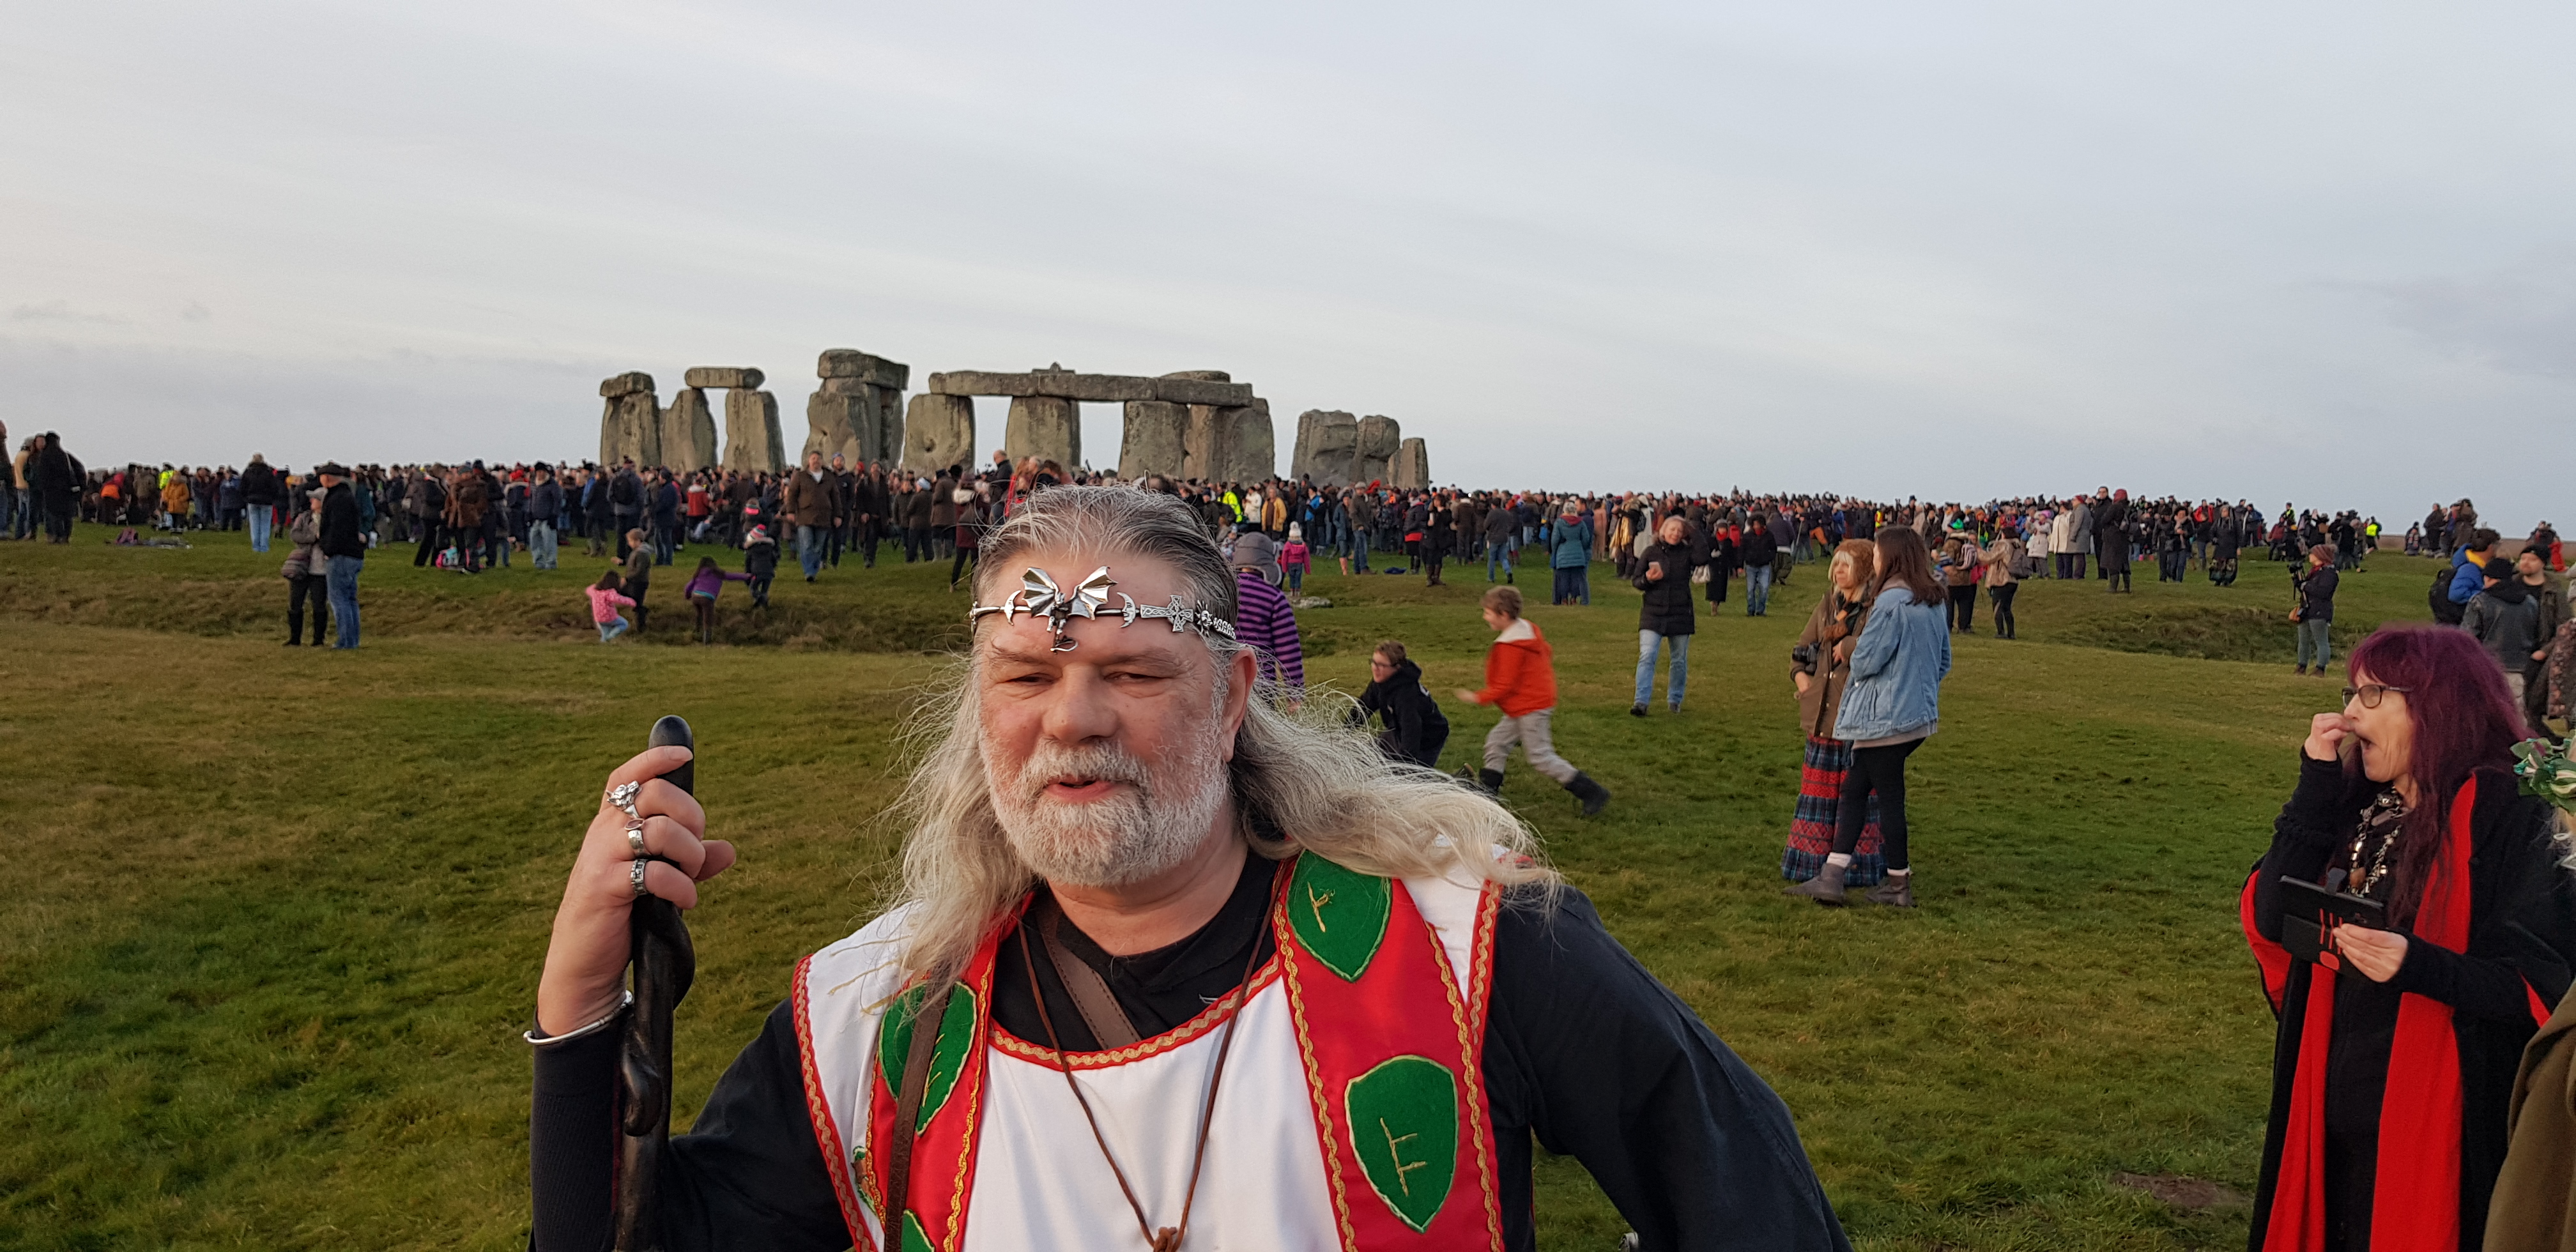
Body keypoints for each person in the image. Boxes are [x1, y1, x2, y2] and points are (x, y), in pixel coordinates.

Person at [523, 486, 1846, 1251]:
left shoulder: (1467, 947)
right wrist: (585, 1006)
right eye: (1028, 676)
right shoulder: (869, 1014)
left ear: (1231, 700)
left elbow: (1746, 1194)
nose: (1073, 718)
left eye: (1134, 674)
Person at [2241, 625, 2574, 1251]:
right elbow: (2272, 912)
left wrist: (2416, 963)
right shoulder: (2358, 803)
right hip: (2325, 1116)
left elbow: (2541, 989)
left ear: (2434, 702)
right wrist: (2314, 786)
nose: (2346, 713)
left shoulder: (2513, 813)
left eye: (2371, 694)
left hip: (2440, 1140)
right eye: (2351, 692)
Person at [1788, 526, 1950, 907]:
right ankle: (1833, 876)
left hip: (1884, 720)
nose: (1875, 560)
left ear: (1891, 556)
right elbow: (1944, 661)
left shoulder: (1890, 602)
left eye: (1877, 554)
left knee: (1888, 798)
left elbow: (1866, 661)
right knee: (1856, 791)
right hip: (1916, 717)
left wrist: (1847, 645)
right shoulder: (1933, 600)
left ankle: (1898, 885)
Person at [1781, 540, 1887, 889]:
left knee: (1856, 796)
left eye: (1846, 565)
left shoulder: (1877, 609)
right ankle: (1809, 864)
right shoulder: (1828, 604)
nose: (1839, 572)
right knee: (1818, 793)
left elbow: (1880, 654)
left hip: (1857, 719)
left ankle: (1855, 868)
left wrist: (1850, 648)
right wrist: (1805, 682)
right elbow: (1800, 651)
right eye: (1836, 566)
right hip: (1823, 718)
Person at [1455, 584, 1613, 814]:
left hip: (1531, 707)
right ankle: (1488, 794)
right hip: (1524, 705)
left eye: (1488, 612)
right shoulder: (1527, 630)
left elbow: (1504, 684)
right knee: (1497, 742)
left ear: (1504, 615)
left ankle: (1592, 792)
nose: (1484, 616)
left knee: (1540, 756)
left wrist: (1478, 697)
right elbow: (1546, 651)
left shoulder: (1511, 646)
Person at [1630, 514, 1700, 716]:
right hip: (1653, 613)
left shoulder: (1688, 553)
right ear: (1663, 531)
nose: (1676, 534)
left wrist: (1695, 533)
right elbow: (1636, 581)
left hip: (1680, 613)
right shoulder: (1651, 552)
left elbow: (1702, 558)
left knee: (1678, 660)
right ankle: (1641, 702)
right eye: (1672, 530)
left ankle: (1675, 701)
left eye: (1680, 531)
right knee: (1647, 656)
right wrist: (1648, 580)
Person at [1349, 639, 1450, 768]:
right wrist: (1343, 733)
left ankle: (1461, 781)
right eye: (1373, 662)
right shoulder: (1380, 683)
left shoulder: (1407, 694)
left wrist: (1406, 765)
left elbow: (1412, 728)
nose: (1375, 668)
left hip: (1427, 738)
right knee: (1369, 759)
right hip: (1397, 730)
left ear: (1397, 668)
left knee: (1414, 780)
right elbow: (1363, 708)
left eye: (1381, 665)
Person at [1228, 531, 1305, 698]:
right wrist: (1295, 693)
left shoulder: (1224, 593)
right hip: (1262, 684)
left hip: (1224, 679)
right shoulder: (1274, 598)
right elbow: (1288, 649)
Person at [2462, 556, 2542, 703]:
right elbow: (2538, 634)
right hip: (2520, 669)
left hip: (2486, 668)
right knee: (2515, 719)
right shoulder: (2530, 602)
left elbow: (2467, 639)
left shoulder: (2480, 601)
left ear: (2487, 577)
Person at [314, 463, 365, 649]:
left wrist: (327, 548)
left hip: (340, 555)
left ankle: (345, 641)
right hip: (354, 554)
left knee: (339, 599)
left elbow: (336, 529)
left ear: (327, 478)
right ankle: (353, 640)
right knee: (350, 598)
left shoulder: (336, 498)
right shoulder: (347, 496)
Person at [279, 487, 329, 646]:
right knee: (295, 603)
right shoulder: (304, 517)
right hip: (301, 567)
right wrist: (313, 538)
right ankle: (295, 638)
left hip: (321, 568)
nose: (311, 501)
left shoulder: (330, 519)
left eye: (314, 499)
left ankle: (318, 639)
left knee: (319, 605)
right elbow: (294, 534)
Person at [783, 451, 839, 582]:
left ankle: (813, 570)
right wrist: (790, 511)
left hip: (823, 516)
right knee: (807, 545)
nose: (816, 461)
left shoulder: (829, 477)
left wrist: (838, 515)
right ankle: (809, 572)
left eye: (818, 459)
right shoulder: (801, 476)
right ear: (809, 461)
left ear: (822, 461)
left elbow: (835, 497)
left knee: (819, 547)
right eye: (813, 458)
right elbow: (792, 494)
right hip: (805, 516)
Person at [683, 556, 753, 645]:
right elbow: (733, 576)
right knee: (708, 620)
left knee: (699, 615)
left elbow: (688, 586)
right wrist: (747, 576)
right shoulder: (718, 574)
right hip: (707, 597)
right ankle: (706, 642)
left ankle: (696, 634)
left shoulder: (698, 574)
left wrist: (687, 596)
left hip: (695, 596)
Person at [2294, 542, 2340, 677]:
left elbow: (2324, 592)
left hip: (2319, 610)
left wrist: (2305, 585)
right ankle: (2302, 665)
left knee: (2321, 640)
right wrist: (2300, 584)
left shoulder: (2329, 574)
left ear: (2320, 556)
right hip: (2308, 609)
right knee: (2303, 639)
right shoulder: (2316, 572)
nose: (2310, 556)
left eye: (2313, 554)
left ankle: (2320, 668)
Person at [1981, 530, 2022, 640]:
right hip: (2013, 580)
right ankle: (2011, 633)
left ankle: (2001, 632)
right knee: (2007, 608)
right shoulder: (2016, 545)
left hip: (2002, 579)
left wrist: (1978, 551)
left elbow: (1989, 558)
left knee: (1997, 606)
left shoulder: (2004, 545)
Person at [1549, 506, 1594, 606]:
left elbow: (1555, 539)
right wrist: (1579, 546)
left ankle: (1564, 599)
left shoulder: (1559, 523)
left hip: (1563, 552)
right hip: (1578, 552)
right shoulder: (1581, 523)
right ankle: (1574, 599)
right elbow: (1586, 539)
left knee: (1564, 578)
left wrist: (1555, 551)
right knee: (1575, 579)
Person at [1742, 511, 1779, 616]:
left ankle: (1761, 610)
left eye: (1758, 524)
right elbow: (1742, 550)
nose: (1756, 526)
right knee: (1750, 589)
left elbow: (1773, 549)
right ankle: (1751, 610)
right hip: (1751, 566)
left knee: (1764, 588)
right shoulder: (1747, 536)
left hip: (1764, 566)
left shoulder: (1769, 535)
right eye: (1754, 524)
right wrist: (1743, 562)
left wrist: (1769, 558)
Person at [586, 571, 635, 643]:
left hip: (598, 618)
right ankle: (611, 636)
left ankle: (604, 644)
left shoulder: (594, 591)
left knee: (604, 635)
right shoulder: (610, 592)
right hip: (609, 617)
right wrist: (632, 602)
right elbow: (618, 599)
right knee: (624, 624)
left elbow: (588, 589)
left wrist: (597, 584)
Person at [741, 524, 778, 608]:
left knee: (753, 589)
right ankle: (764, 605)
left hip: (757, 573)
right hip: (769, 573)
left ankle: (760, 599)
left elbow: (748, 564)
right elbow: (774, 560)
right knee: (765, 591)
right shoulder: (769, 548)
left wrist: (747, 575)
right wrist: (773, 568)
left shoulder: (751, 550)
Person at [1281, 522, 1310, 595]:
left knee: (1292, 578)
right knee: (1298, 578)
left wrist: (1284, 568)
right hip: (1299, 564)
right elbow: (1307, 558)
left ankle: (1292, 591)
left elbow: (1284, 557)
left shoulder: (1288, 545)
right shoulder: (1303, 545)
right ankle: (1298, 591)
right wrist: (1308, 569)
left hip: (1290, 563)